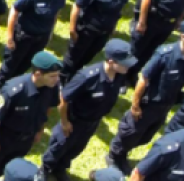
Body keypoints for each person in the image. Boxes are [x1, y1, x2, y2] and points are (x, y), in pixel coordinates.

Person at [108, 18, 184, 173]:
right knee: (130, 132)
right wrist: (135, 105)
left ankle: (122, 154)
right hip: (150, 103)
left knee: (146, 136)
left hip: (165, 104)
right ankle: (114, 156)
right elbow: (144, 78)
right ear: (183, 37)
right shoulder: (165, 54)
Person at [42, 39, 135, 181]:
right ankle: (45, 169)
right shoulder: (87, 77)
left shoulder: (118, 75)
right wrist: (65, 122)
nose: (128, 67)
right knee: (59, 146)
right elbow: (64, 99)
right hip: (75, 120)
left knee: (76, 148)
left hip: (92, 121)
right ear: (111, 62)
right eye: (124, 63)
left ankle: (60, 168)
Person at [0, 0, 72, 88]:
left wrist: (50, 33)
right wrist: (9, 38)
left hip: (41, 36)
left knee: (27, 64)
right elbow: (15, 10)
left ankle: (15, 85)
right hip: (24, 35)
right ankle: (1, 88)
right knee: (11, 64)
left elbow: (56, 12)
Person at [62, 0, 135, 82]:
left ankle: (73, 79)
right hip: (87, 30)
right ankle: (62, 81)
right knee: (72, 59)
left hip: (103, 32)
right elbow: (77, 5)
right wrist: (73, 29)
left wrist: (113, 27)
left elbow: (119, 9)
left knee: (87, 58)